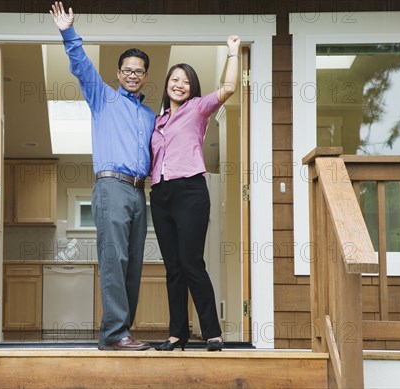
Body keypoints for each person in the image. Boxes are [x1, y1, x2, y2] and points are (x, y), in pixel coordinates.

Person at [50, 2, 155, 351]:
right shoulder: (103, 98)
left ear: (145, 76)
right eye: (127, 69)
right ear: (119, 72)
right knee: (115, 259)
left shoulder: (149, 116)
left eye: (139, 71)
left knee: (133, 264)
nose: (132, 75)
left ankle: (123, 330)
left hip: (140, 193)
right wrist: (68, 31)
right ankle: (113, 334)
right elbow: (82, 68)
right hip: (111, 186)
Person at [150, 36, 240, 352]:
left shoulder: (198, 109)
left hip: (190, 191)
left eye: (185, 81)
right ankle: (177, 334)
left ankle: (212, 332)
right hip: (159, 195)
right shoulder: (158, 120)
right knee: (172, 267)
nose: (179, 84)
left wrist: (232, 53)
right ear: (167, 84)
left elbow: (228, 88)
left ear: (192, 88)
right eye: (175, 79)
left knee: (191, 263)